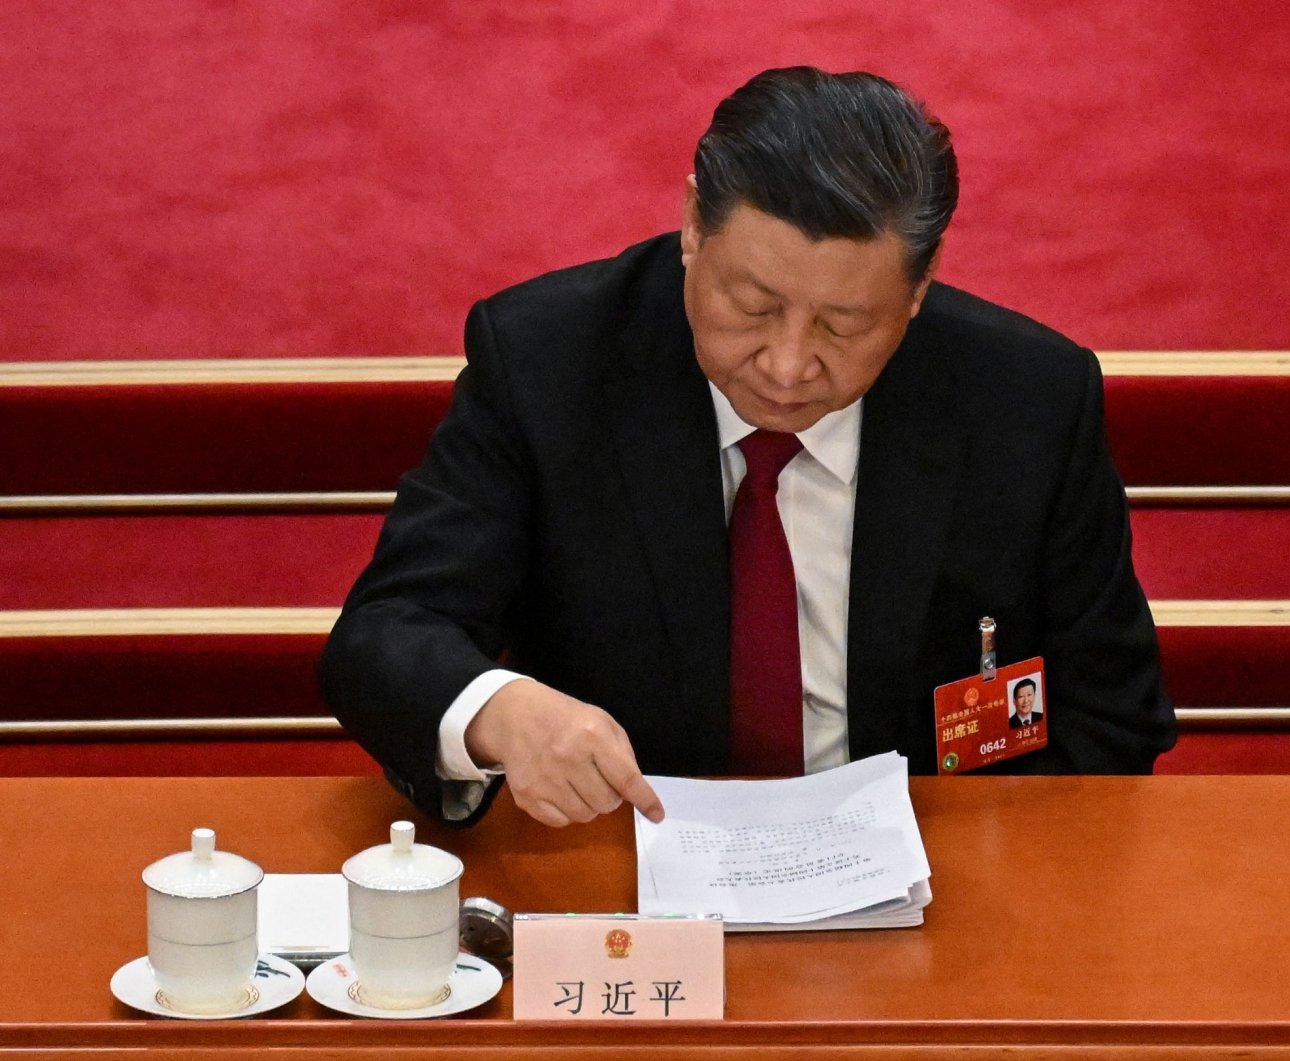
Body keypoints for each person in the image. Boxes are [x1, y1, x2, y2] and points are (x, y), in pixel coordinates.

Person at [320, 66, 1175, 829]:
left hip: (934, 888)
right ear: (693, 223)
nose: (789, 365)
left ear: (921, 285)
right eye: (754, 305)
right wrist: (499, 712)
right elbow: (386, 633)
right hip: (627, 867)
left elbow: (1113, 715)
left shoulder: (1025, 400)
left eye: (846, 324)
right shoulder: (551, 362)